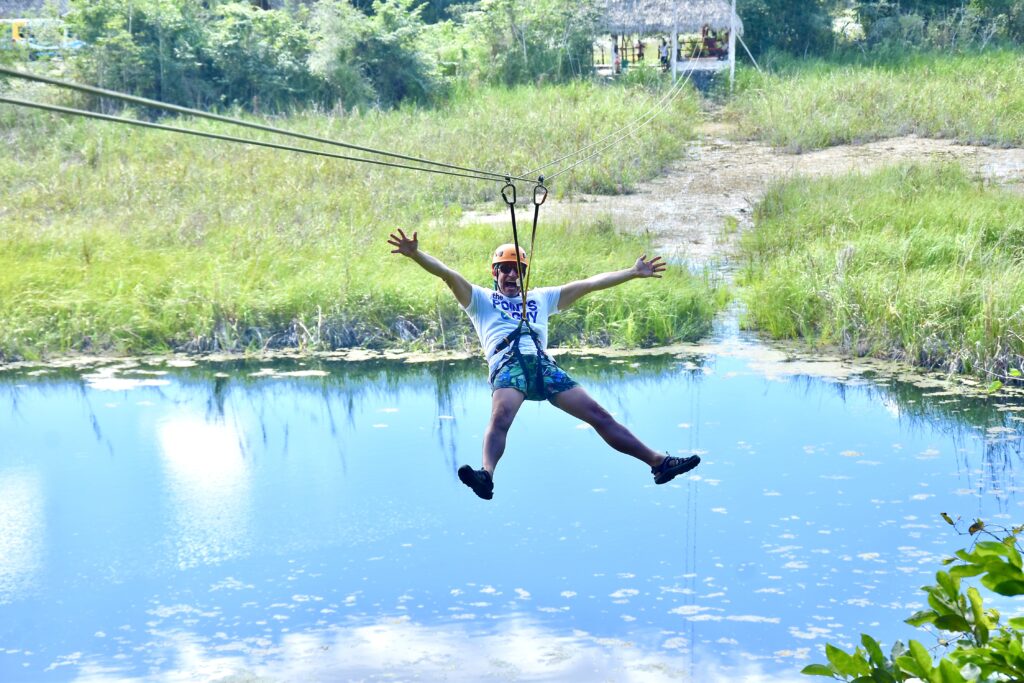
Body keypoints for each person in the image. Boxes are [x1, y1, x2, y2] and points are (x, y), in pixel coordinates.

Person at [387, 229, 702, 500]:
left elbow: (589, 284)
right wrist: (416, 255)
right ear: (494, 273)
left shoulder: (541, 298)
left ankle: (658, 463)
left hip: (544, 367)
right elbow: (448, 274)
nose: (512, 276)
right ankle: (486, 474)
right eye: (505, 269)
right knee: (501, 417)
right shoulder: (480, 300)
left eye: (517, 270)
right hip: (509, 367)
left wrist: (632, 272)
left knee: (599, 415)